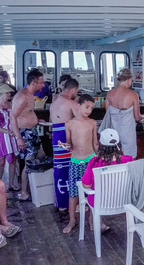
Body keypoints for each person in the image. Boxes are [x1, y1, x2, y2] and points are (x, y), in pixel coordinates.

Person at [58, 94, 98, 234]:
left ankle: (92, 219)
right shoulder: (69, 124)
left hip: (91, 160)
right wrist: (66, 146)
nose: (89, 110)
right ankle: (72, 220)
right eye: (86, 107)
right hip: (75, 161)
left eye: (91, 108)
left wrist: (99, 159)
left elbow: (95, 143)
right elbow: (69, 144)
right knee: (73, 193)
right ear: (78, 106)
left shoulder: (92, 123)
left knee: (94, 191)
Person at [81, 128, 134, 232]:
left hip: (101, 203)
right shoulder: (129, 160)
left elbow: (86, 185)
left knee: (94, 194)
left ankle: (96, 223)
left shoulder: (94, 162)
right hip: (124, 200)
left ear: (101, 145)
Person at [11, 68, 46, 201]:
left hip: (32, 131)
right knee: (29, 162)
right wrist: (19, 138)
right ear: (33, 83)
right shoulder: (22, 96)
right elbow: (13, 117)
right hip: (24, 133)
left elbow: (27, 112)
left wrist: (36, 121)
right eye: (41, 82)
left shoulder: (30, 95)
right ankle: (24, 192)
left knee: (41, 155)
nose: (43, 85)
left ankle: (35, 186)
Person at [101, 68, 144, 158]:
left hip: (114, 133)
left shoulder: (110, 94)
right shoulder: (133, 95)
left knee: (115, 157)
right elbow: (137, 117)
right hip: (128, 133)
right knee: (129, 157)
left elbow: (108, 113)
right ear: (129, 79)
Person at [49, 78, 80, 212]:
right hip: (67, 137)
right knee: (73, 168)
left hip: (57, 137)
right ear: (73, 90)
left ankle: (61, 203)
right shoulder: (71, 103)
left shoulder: (54, 103)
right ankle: (74, 203)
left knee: (60, 168)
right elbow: (81, 122)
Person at [0, 84, 19, 191]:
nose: (9, 95)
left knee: (12, 160)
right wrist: (6, 131)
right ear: (1, 95)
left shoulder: (11, 105)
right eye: (7, 93)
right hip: (2, 135)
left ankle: (11, 183)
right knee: (1, 160)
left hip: (12, 135)